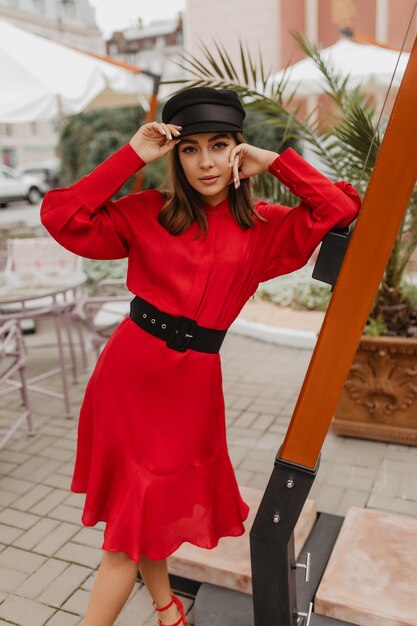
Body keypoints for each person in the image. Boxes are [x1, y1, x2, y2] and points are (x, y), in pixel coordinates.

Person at [40, 87, 361, 626]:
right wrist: (131, 156)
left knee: (149, 507)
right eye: (190, 148)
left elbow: (338, 206)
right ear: (175, 156)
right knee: (132, 524)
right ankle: (161, 612)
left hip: (192, 388)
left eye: (220, 145)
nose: (206, 161)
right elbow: (63, 216)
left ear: (237, 149)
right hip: (130, 376)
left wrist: (274, 161)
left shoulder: (264, 228)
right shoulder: (148, 213)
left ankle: (167, 609)